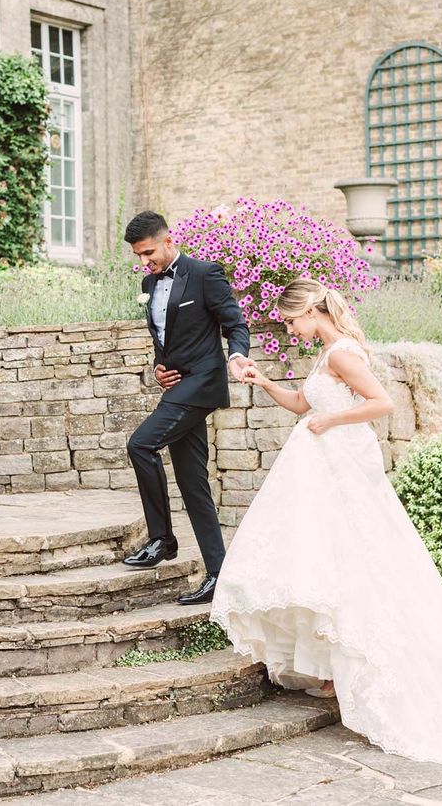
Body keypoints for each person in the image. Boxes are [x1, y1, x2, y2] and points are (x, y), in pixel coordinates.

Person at [211, 277, 442, 761]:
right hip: (321, 463)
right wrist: (266, 382)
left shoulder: (341, 353)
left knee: (356, 556)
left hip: (339, 464)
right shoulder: (327, 352)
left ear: (312, 312)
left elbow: (382, 403)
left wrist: (330, 422)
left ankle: (360, 658)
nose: (290, 329)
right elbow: (302, 405)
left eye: (291, 320)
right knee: (332, 556)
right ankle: (335, 662)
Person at [123, 211, 252, 604]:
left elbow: (236, 325)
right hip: (177, 387)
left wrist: (237, 357)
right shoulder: (149, 282)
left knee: (140, 444)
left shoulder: (204, 274)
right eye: (139, 256)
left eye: (148, 253)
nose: (145, 263)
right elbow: (164, 336)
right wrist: (159, 368)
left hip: (203, 383)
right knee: (193, 482)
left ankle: (162, 538)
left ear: (167, 239)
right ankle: (218, 574)